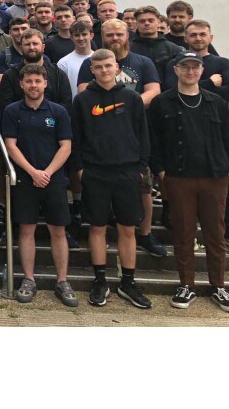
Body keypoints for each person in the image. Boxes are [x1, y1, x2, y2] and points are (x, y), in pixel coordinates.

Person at [148, 51, 229, 311]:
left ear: (201, 71)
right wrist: (161, 171)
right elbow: (155, 141)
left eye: (195, 67)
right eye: (185, 67)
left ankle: (218, 286)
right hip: (178, 177)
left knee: (215, 234)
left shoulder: (215, 102)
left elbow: (228, 138)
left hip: (214, 176)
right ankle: (186, 285)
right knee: (184, 233)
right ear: (176, 70)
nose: (190, 71)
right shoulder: (162, 102)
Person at [77, 18, 165, 259]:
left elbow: (154, 91)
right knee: (97, 224)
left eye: (119, 33)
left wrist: (127, 102)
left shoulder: (142, 62)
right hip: (97, 162)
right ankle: (100, 275)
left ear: (128, 34)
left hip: (130, 153)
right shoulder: (89, 66)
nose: (115, 38)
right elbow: (84, 103)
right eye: (109, 34)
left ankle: (146, 235)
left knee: (143, 193)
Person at [72, 48, 152, 309]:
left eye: (108, 66)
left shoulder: (132, 98)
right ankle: (100, 280)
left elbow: (142, 134)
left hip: (127, 171)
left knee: (127, 228)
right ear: (92, 70)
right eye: (99, 67)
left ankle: (128, 282)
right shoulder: (83, 100)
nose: (104, 70)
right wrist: (81, 168)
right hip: (95, 172)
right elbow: (77, 138)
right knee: (96, 227)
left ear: (117, 67)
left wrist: (140, 166)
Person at [2, 64, 78, 307]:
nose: (33, 85)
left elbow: (66, 146)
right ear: (21, 84)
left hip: (53, 179)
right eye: (28, 81)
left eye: (37, 81)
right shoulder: (12, 111)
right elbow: (10, 146)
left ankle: (63, 281)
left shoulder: (58, 111)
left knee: (58, 230)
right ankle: (28, 280)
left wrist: (47, 172)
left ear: (45, 83)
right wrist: (33, 172)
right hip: (25, 179)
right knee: (26, 230)